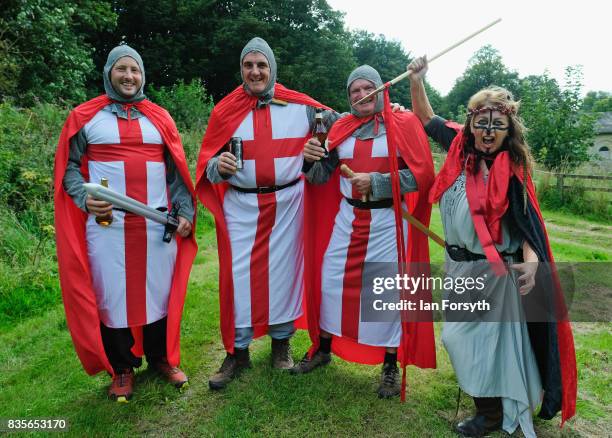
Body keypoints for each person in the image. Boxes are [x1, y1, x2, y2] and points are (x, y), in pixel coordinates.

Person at [407, 56, 577, 436]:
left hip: (496, 270)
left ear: (507, 129)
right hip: (458, 268)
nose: (487, 132)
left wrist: (532, 265)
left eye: (496, 126)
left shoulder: (514, 169)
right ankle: (490, 407)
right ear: (470, 124)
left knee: (472, 340)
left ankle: (489, 414)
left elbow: (531, 229)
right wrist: (418, 80)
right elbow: (425, 117)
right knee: (465, 339)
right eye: (481, 123)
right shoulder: (458, 147)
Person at [54, 44, 197, 402]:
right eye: (122, 69)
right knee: (111, 295)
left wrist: (185, 211)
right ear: (109, 73)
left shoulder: (160, 118)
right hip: (108, 226)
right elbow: (69, 167)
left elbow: (176, 171)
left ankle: (160, 359)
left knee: (158, 293)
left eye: (135, 70)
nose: (129, 76)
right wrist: (84, 198)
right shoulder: (85, 117)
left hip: (154, 224)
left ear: (143, 75)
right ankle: (121, 367)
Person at [195, 37, 339, 390]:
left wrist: (387, 110)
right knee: (238, 279)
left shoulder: (300, 106)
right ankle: (238, 352)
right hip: (241, 206)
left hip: (288, 203)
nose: (255, 71)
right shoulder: (226, 110)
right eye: (249, 65)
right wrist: (220, 166)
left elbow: (347, 123)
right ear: (241, 69)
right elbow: (207, 166)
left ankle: (281, 345)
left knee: (284, 276)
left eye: (262, 65)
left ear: (272, 68)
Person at [291, 65, 437, 399]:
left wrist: (380, 183)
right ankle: (323, 349)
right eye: (354, 91)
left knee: (385, 295)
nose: (361, 95)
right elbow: (319, 178)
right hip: (348, 219)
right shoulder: (341, 127)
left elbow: (423, 177)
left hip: (387, 221)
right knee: (330, 283)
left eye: (367, 88)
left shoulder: (402, 123)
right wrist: (309, 159)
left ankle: (389, 364)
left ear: (381, 90)